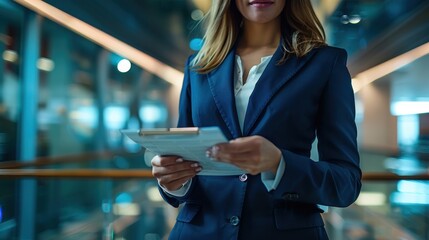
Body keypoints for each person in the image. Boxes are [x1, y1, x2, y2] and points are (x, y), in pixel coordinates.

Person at [151, 0, 362, 239]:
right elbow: (185, 160)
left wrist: (279, 164)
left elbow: (346, 183)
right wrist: (174, 181)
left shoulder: (325, 63)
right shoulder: (197, 66)